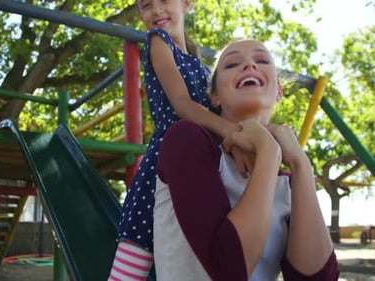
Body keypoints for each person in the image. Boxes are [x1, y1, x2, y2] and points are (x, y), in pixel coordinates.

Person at [153, 38, 339, 280]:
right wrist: (269, 151)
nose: (250, 65)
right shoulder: (187, 142)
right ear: (215, 97)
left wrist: (301, 165)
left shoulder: (287, 183)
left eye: (262, 60)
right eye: (232, 64)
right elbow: (227, 271)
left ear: (279, 92)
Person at [107, 0, 251, 280]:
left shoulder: (198, 63)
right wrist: (235, 134)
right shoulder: (158, 41)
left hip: (195, 170)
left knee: (187, 259)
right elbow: (181, 105)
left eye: (164, 1)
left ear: (186, 3)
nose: (157, 10)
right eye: (147, 5)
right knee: (130, 267)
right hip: (161, 169)